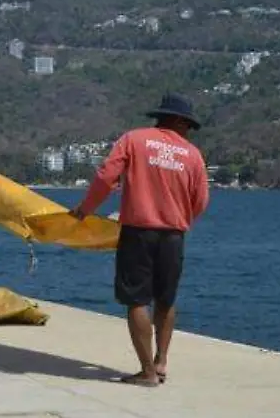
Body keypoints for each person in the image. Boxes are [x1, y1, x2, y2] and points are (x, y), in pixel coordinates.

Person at [70, 93, 211, 388]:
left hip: (138, 231)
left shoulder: (133, 140)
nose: (188, 132)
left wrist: (85, 210)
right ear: (179, 121)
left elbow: (107, 176)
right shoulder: (192, 154)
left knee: (136, 300)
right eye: (188, 126)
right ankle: (160, 362)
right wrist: (180, 218)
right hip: (174, 235)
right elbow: (201, 200)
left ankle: (146, 372)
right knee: (166, 298)